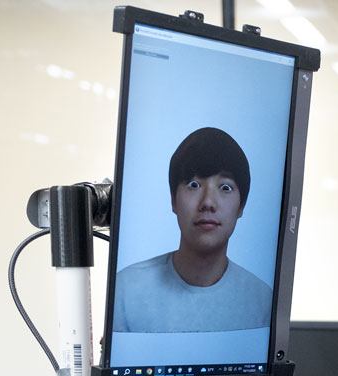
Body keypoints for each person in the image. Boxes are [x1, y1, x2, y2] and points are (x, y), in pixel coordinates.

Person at [113, 126, 272, 333]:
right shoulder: (126, 290)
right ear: (173, 200)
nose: (208, 202)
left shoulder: (262, 301)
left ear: (241, 206)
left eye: (225, 188)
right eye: (194, 185)